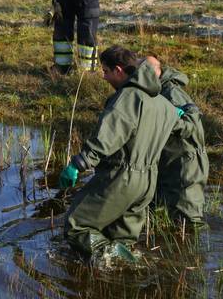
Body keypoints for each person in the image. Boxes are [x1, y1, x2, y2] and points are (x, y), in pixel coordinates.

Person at [58, 46, 199, 260]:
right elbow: (187, 128)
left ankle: (110, 256)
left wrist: (77, 165)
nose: (104, 77)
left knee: (76, 227)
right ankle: (125, 267)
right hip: (148, 184)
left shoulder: (128, 97)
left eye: (105, 71)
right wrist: (187, 111)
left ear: (118, 70)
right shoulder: (163, 102)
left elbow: (106, 138)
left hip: (121, 178)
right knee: (122, 237)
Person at [146, 56, 208, 226]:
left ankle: (191, 251)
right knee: (167, 214)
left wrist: (170, 117)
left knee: (188, 222)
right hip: (171, 162)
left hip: (186, 164)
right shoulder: (157, 92)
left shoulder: (172, 93)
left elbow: (191, 125)